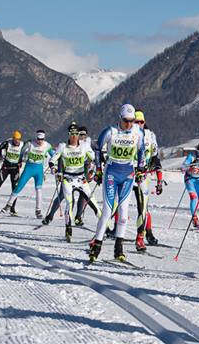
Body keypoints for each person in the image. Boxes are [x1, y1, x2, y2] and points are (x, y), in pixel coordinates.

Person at [89, 104, 146, 262]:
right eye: (126, 121)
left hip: (128, 173)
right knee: (107, 211)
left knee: (123, 213)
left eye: (132, 121)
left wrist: (141, 168)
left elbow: (141, 151)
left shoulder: (138, 132)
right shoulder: (110, 131)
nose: (129, 124)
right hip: (112, 172)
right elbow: (97, 150)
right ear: (120, 118)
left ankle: (118, 249)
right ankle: (97, 245)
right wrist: (99, 170)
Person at [43, 122, 101, 226]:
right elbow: (60, 160)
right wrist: (59, 171)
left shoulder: (87, 143)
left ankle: (78, 217)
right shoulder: (66, 146)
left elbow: (96, 155)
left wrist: (94, 168)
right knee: (63, 196)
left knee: (84, 196)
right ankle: (50, 216)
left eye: (83, 135)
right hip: (68, 175)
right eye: (80, 134)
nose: (82, 137)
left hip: (83, 173)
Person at [133, 110, 163, 251]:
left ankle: (144, 236)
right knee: (117, 205)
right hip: (127, 174)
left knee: (143, 208)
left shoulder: (150, 136)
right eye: (136, 122)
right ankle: (107, 232)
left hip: (143, 175)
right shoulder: (127, 134)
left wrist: (159, 180)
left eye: (141, 122)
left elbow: (156, 158)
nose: (139, 124)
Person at [3, 130, 53, 217]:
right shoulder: (30, 143)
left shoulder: (47, 145)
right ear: (36, 137)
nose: (40, 141)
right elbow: (21, 151)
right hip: (29, 168)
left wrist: (55, 163)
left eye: (42, 139)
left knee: (39, 190)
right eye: (38, 139)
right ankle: (8, 205)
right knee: (19, 186)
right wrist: (20, 160)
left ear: (44, 138)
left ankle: (38, 210)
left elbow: (54, 155)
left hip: (39, 170)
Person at [0, 130, 25, 212]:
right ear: (13, 138)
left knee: (15, 189)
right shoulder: (7, 143)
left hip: (15, 169)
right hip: (5, 168)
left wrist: (20, 161)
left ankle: (12, 209)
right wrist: (0, 156)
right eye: (16, 139)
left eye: (19, 139)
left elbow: (25, 152)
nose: (17, 141)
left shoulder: (23, 145)